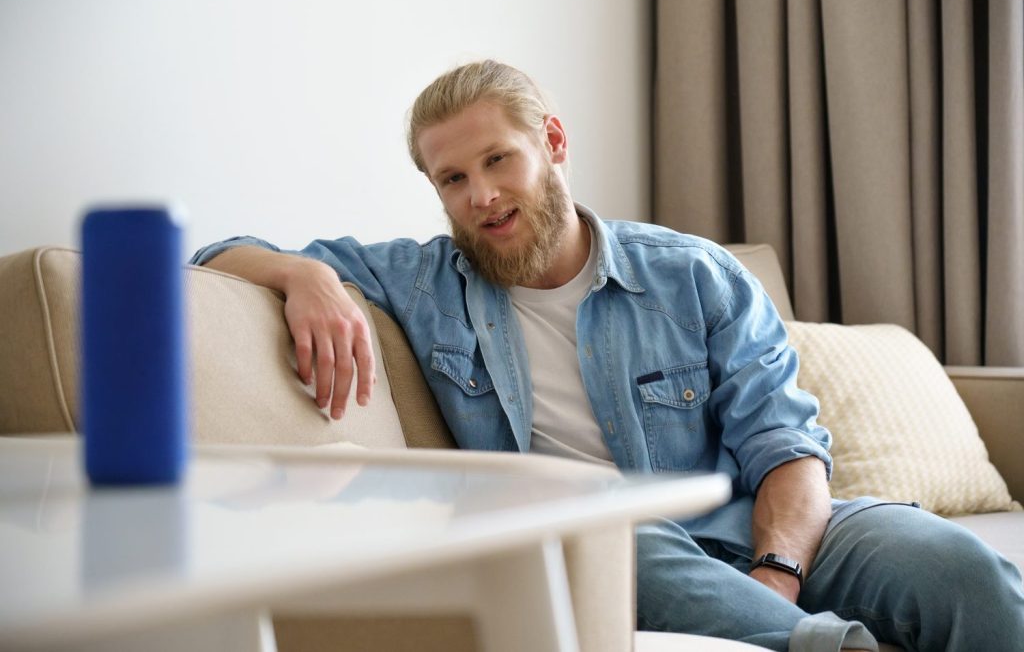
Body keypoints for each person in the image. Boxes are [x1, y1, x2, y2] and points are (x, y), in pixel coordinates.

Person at [192, 60, 1024, 651]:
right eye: (450, 179)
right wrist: (302, 274)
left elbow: (788, 450)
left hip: (756, 519)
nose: (478, 196)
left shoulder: (693, 273)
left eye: (497, 159)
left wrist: (772, 575)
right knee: (604, 528)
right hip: (613, 540)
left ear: (551, 141)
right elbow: (217, 254)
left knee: (960, 571)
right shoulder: (422, 280)